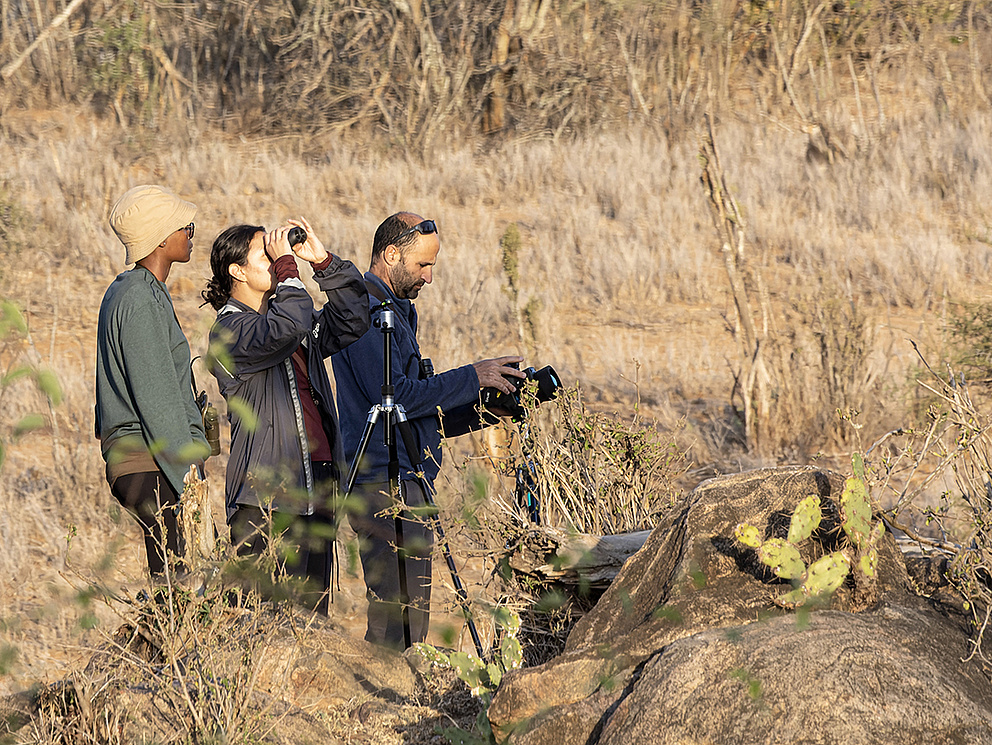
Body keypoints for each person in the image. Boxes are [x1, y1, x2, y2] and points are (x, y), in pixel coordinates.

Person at [332, 211, 525, 648]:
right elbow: (395, 397)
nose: (430, 278)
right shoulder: (366, 313)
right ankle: (382, 699)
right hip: (382, 478)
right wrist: (471, 376)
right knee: (396, 610)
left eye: (433, 266)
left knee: (412, 608)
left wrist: (488, 407)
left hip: (408, 474)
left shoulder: (397, 313)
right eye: (423, 266)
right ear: (391, 254)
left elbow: (417, 408)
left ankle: (392, 696)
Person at [202, 218, 370, 613]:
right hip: (267, 500)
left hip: (316, 484)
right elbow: (284, 329)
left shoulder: (293, 319)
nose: (279, 260)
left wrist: (323, 262)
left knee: (312, 622)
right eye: (267, 255)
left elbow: (353, 320)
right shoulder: (228, 332)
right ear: (237, 271)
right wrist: (290, 273)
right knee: (268, 625)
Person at [95, 184, 210, 577]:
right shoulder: (139, 299)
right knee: (178, 590)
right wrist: (188, 475)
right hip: (150, 461)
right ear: (162, 238)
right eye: (186, 227)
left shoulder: (140, 292)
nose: (191, 234)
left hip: (149, 461)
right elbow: (156, 398)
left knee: (175, 585)